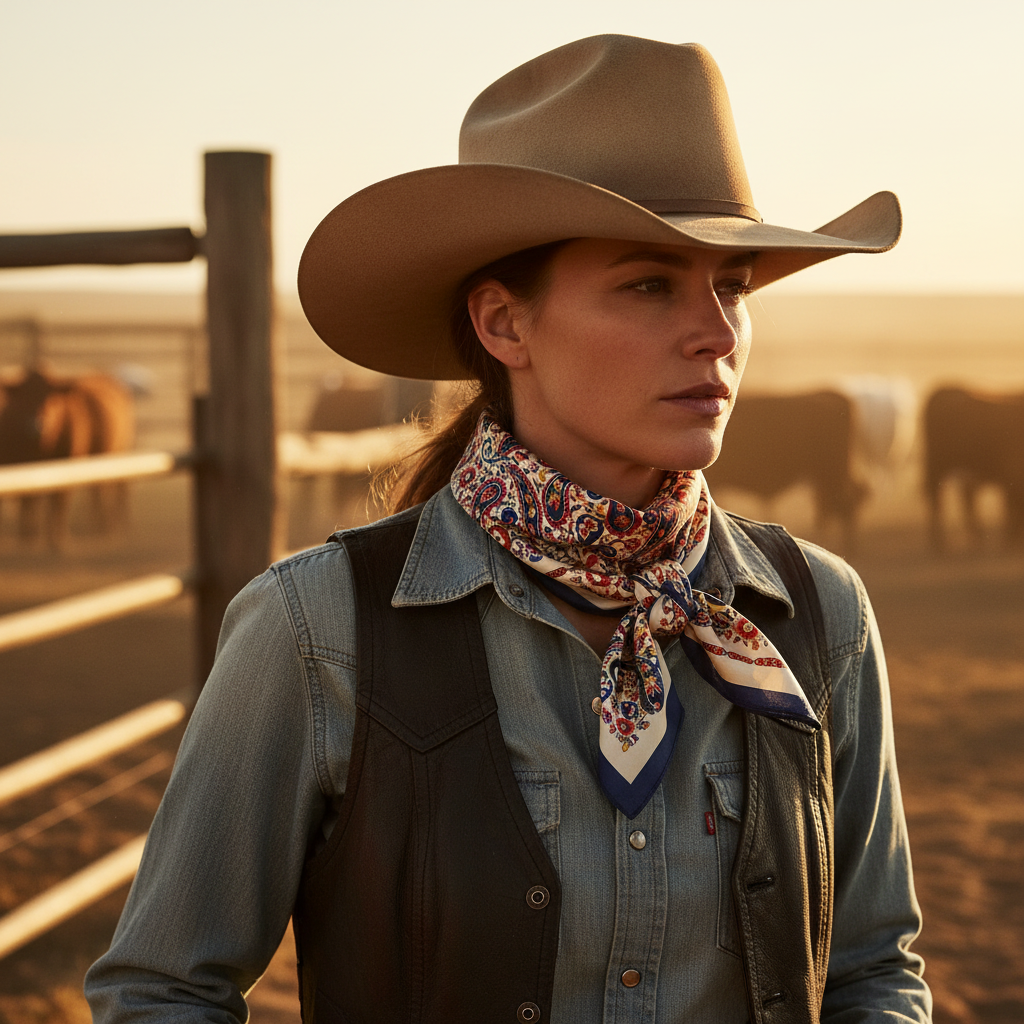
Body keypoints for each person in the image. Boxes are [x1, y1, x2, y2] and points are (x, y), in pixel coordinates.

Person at [85, 34, 932, 1024]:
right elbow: (162, 989)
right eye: (649, 283)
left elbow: (874, 971)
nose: (716, 331)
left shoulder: (818, 613)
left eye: (733, 284)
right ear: (504, 324)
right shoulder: (319, 631)